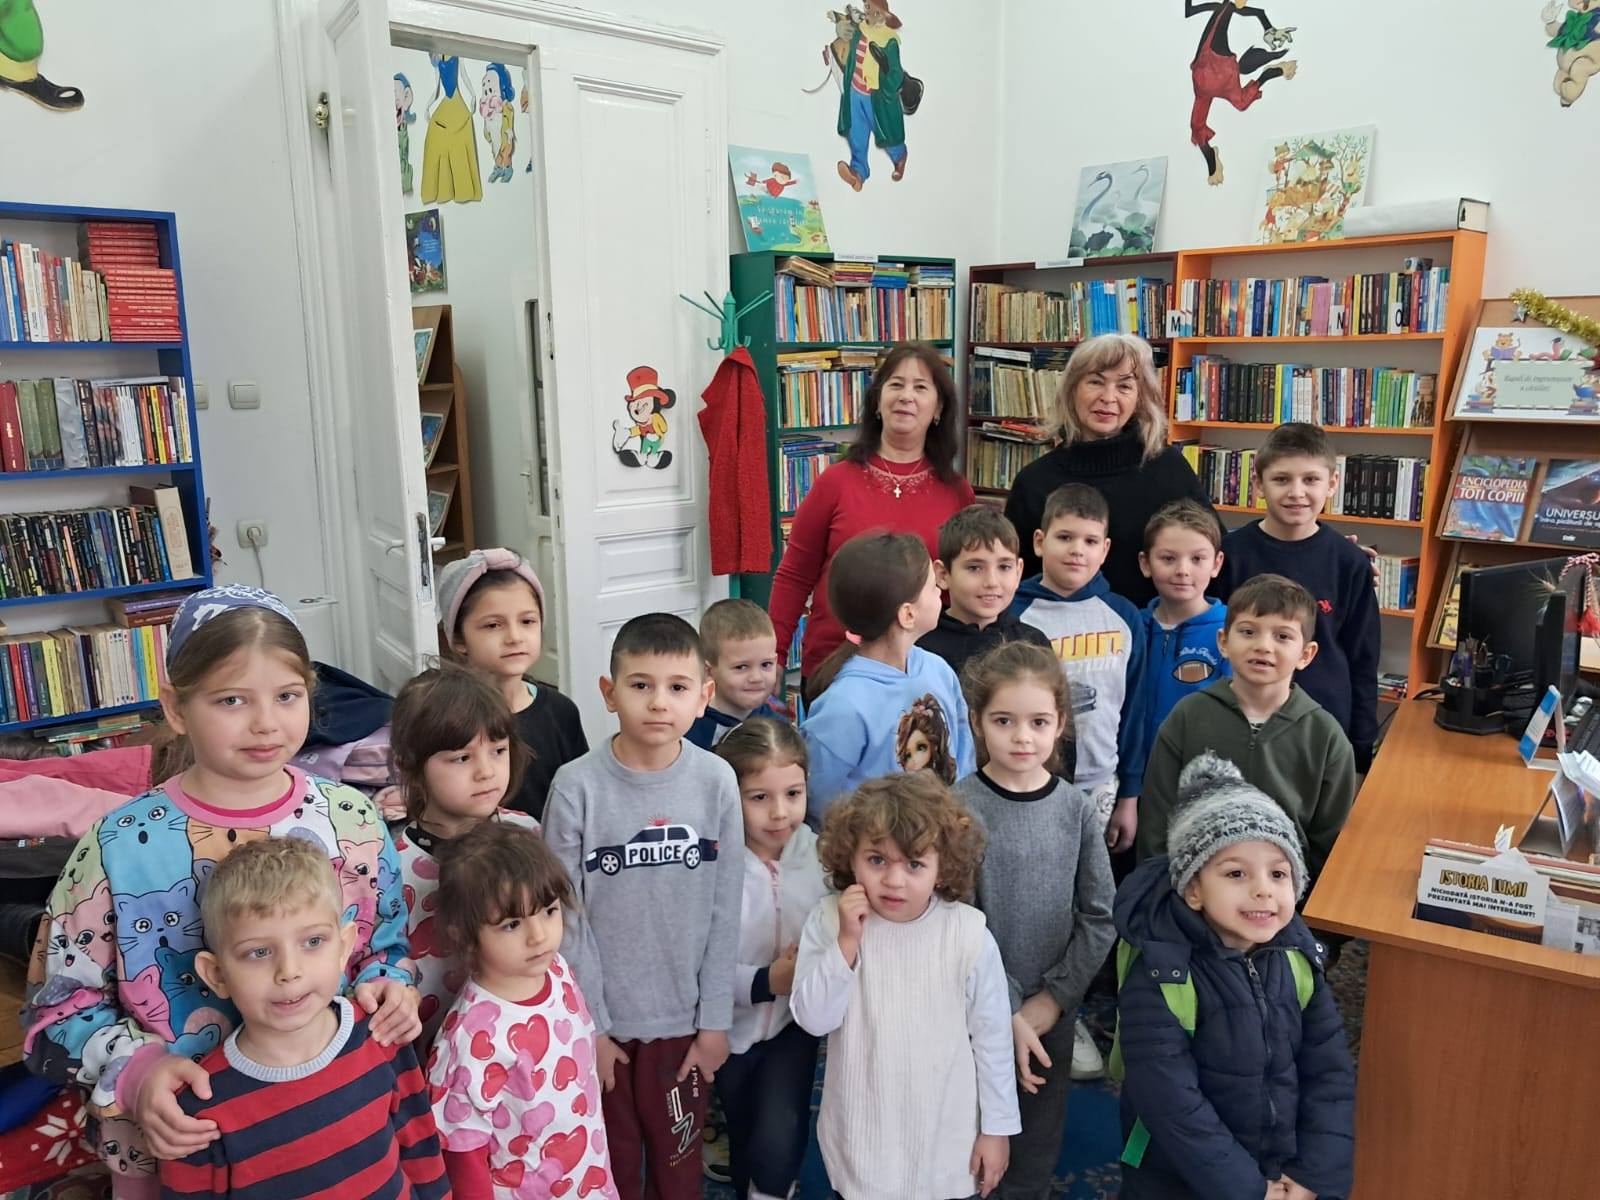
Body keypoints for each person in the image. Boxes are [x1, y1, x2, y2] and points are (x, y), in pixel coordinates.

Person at [23, 586, 417, 1200]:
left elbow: (381, 948)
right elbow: (56, 1013)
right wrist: (138, 1075)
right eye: (232, 699)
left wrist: (389, 984)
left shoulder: (354, 821)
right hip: (176, 1152)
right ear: (177, 707)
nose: (265, 722)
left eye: (287, 696)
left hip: (333, 1133)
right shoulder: (117, 847)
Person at [541, 613, 744, 1200]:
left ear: (703, 696)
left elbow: (724, 910)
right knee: (614, 1169)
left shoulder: (717, 781)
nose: (659, 702)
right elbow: (565, 919)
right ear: (609, 694)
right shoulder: (576, 786)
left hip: (684, 1029)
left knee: (679, 1173)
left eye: (677, 687)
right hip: (603, 1029)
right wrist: (593, 1028)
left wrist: (714, 1023)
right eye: (640, 685)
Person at [1114, 753, 1355, 1200]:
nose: (1263, 889)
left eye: (1278, 873)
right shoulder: (1163, 975)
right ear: (1193, 889)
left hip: (1278, 1169)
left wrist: (1312, 1173)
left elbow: (1330, 1073)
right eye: (1236, 873)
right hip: (1177, 1181)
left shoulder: (1298, 959)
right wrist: (1246, 1188)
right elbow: (1170, 1103)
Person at [157, 839, 448, 1200]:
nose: (289, 971)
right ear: (217, 975)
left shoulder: (381, 1033)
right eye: (259, 952)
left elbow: (420, 1148)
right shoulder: (199, 1109)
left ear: (343, 947)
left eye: (312, 942)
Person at [791, 772, 1020, 1200]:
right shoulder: (829, 920)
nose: (894, 881)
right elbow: (813, 1019)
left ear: (942, 866)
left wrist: (997, 1129)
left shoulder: (968, 933)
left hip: (946, 1137)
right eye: (877, 860)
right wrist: (846, 943)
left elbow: (992, 1038)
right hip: (864, 1136)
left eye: (914, 864)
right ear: (851, 856)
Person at [953, 641, 1115, 1199]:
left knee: (1035, 1145)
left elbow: (1100, 915)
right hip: (970, 1009)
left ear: (1060, 724)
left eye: (1038, 722)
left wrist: (1051, 1001)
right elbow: (956, 922)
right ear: (977, 722)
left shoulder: (1075, 809)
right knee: (967, 1139)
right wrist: (1004, 1009)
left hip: (1051, 1013)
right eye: (1004, 720)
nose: (1022, 737)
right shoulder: (958, 809)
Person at [427, 821, 617, 1199]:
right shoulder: (469, 1041)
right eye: (512, 924)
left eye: (548, 911)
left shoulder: (557, 969)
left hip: (588, 1176)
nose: (539, 936)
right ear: (464, 935)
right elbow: (463, 1154)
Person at [769, 343, 975, 685]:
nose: (906, 396)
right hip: (834, 667)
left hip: (923, 670)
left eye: (920, 387)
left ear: (938, 408)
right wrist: (773, 655)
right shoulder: (836, 481)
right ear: (878, 401)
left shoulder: (956, 491)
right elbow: (794, 575)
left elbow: (963, 583)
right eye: (896, 384)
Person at [1138, 575, 1357, 886]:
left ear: (1306, 654)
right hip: (1191, 895)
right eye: (1248, 631)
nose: (1263, 646)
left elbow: (1330, 842)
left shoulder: (1325, 737)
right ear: (1223, 642)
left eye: (1282, 636)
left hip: (1283, 901)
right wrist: (1163, 895)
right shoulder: (1187, 716)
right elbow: (1156, 822)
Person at [387, 662, 539, 1046]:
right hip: (433, 1055)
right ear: (409, 764)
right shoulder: (390, 869)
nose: (486, 771)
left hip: (527, 1044)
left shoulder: (529, 833)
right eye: (462, 758)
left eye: (498, 750)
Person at [1005, 333, 1215, 607]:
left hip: (1151, 628)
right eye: (1095, 382)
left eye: (1124, 386)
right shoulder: (1034, 481)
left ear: (1140, 398)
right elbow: (1012, 578)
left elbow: (1209, 556)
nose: (1108, 397)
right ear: (1072, 390)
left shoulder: (1170, 469)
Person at [1217, 422, 1380, 773]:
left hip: (1323, 728)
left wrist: (1361, 746)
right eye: (1281, 479)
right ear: (1258, 484)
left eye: (1310, 480)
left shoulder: (1350, 562)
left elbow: (1363, 659)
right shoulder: (1229, 555)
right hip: (1238, 725)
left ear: (1332, 484)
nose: (1296, 492)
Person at [712, 719, 829, 1200]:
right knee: (744, 1136)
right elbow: (699, 966)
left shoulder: (821, 858)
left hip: (791, 1028)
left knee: (780, 1135)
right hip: (726, 1028)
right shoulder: (714, 865)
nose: (780, 813)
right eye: (759, 797)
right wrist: (766, 981)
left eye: (793, 794)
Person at [1008, 484, 1147, 855]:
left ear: (1105, 549)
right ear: (1040, 542)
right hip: (1028, 779)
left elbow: (1135, 711)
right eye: (1065, 537)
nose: (1077, 550)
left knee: (1093, 880)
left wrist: (1129, 796)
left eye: (1090, 541)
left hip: (1102, 783)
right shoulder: (1014, 614)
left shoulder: (1125, 617)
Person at [800, 531, 975, 817]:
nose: (940, 592)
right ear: (908, 614)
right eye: (932, 586)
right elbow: (820, 803)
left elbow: (965, 759)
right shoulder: (843, 706)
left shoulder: (939, 670)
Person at [436, 548, 588, 822]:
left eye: (527, 621)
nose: (515, 637)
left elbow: (581, 794)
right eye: (493, 625)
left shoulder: (561, 712)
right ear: (458, 638)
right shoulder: (444, 717)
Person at [1138, 499, 1230, 764]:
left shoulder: (1232, 631)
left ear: (1216, 564)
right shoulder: (1130, 626)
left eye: (1197, 559)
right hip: (1132, 772)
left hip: (1198, 774)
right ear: (1146, 563)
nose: (1182, 571)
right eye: (1168, 558)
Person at [917, 504, 1050, 677]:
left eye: (1004, 567)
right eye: (975, 568)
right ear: (943, 575)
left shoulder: (1034, 643)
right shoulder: (919, 645)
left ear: (1018, 572)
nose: (992, 582)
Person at [688, 598, 782, 750]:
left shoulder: (780, 728)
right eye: (741, 667)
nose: (756, 678)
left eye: (766, 664)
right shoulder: (690, 734)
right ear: (708, 671)